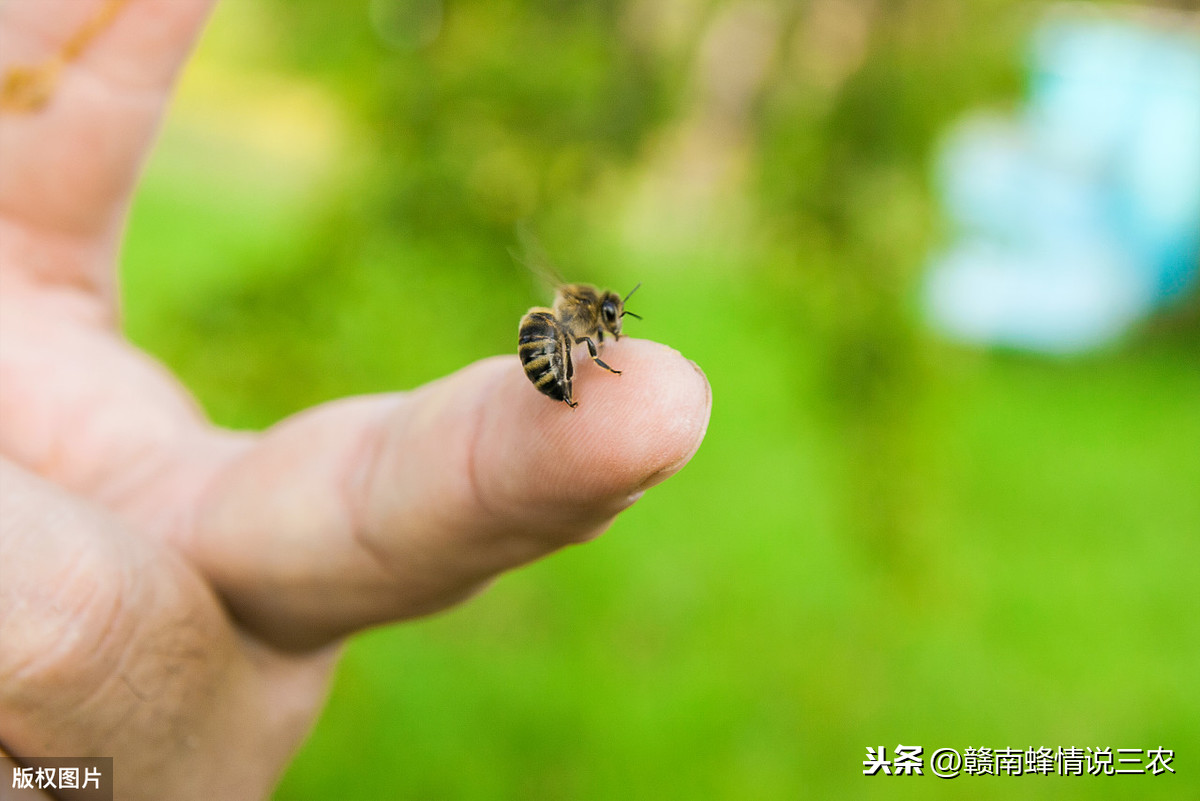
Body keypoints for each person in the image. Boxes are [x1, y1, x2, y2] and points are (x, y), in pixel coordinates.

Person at [0, 1, 711, 797]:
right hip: (545, 356)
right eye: (608, 321)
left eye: (608, 324)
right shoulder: (573, 321)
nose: (611, 327)